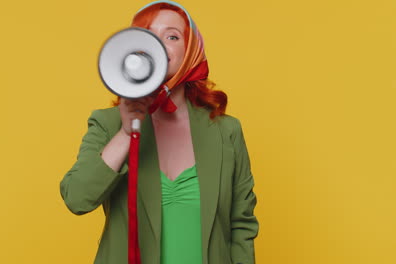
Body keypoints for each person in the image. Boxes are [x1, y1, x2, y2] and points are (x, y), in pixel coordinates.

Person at [59, 1, 259, 263]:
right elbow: (77, 198)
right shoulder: (107, 123)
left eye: (172, 36)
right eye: (149, 35)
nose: (159, 45)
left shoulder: (226, 130)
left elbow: (241, 225)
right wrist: (124, 134)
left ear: (190, 51)